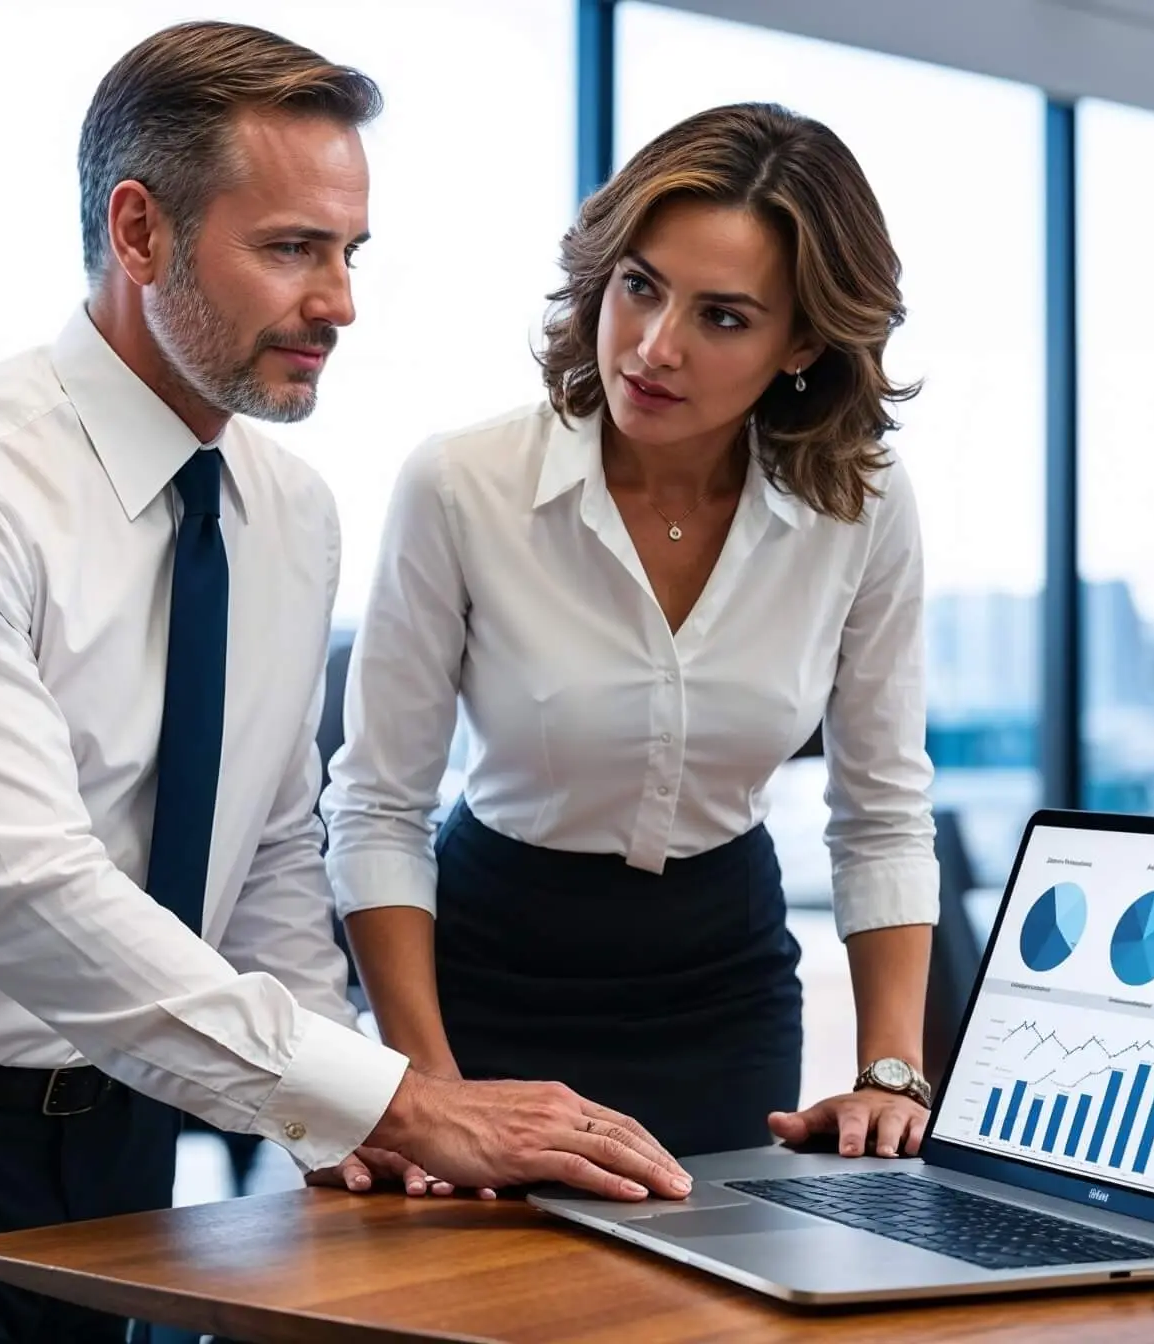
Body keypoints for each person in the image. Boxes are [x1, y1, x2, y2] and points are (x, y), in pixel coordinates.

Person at [0, 22, 686, 1342]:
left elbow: (269, 850)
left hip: (123, 1140)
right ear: (140, 231)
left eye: (349, 252)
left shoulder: (289, 512)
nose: (339, 302)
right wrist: (394, 1099)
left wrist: (331, 1123)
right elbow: (27, 899)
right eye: (290, 249)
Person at [323, 102, 940, 1195]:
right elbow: (376, 802)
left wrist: (891, 1071)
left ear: (801, 343)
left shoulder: (862, 510)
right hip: (482, 979)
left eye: (724, 317)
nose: (655, 347)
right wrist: (417, 1082)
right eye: (640, 286)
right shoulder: (463, 486)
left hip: (723, 987)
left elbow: (882, 806)